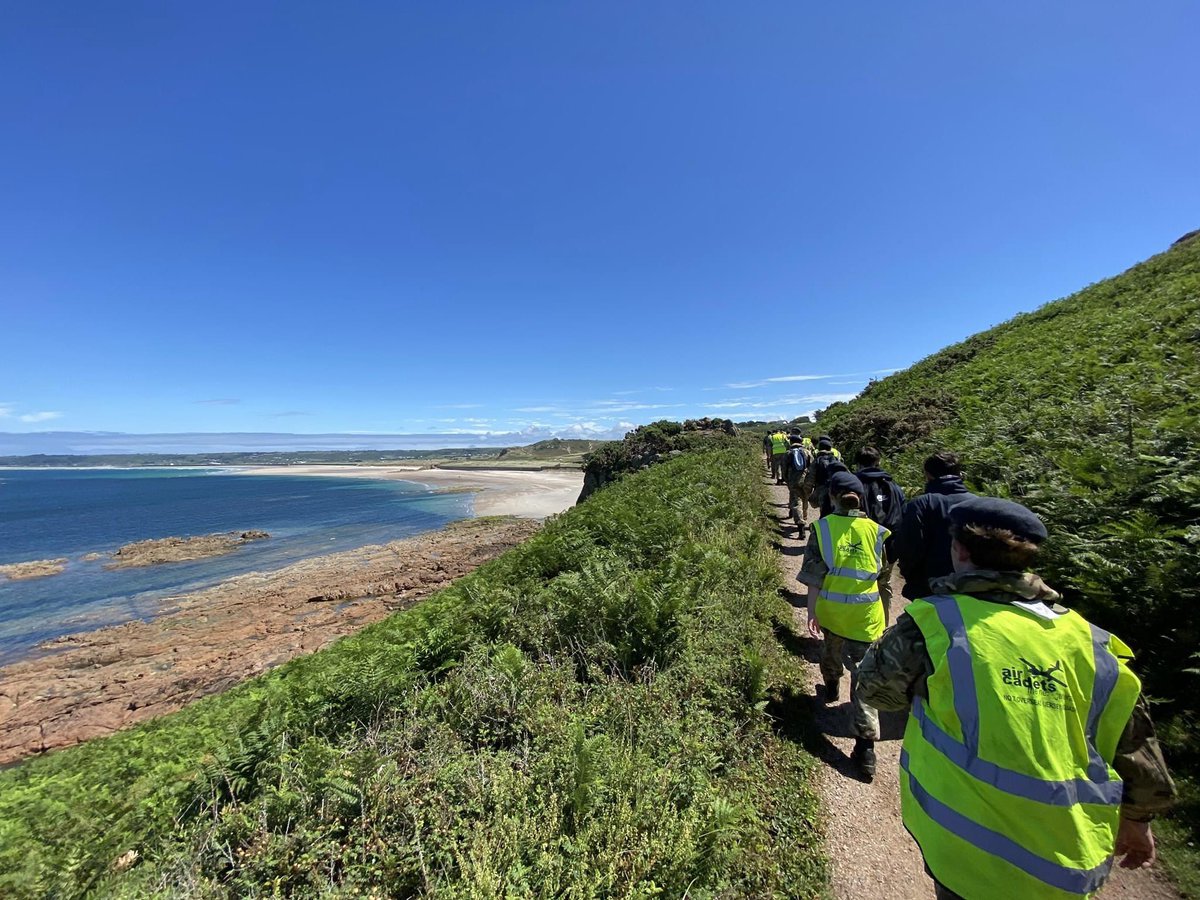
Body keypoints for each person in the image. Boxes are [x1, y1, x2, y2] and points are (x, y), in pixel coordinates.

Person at [859, 497, 1177, 900]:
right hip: (1067, 862)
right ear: (1027, 557)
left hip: (968, 851)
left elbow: (876, 692)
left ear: (958, 549)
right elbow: (1136, 746)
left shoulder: (932, 624)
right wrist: (1137, 820)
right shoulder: (1094, 644)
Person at [798, 471, 890, 779]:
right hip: (866, 615)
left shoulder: (823, 529)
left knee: (830, 651)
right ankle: (865, 749)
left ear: (832, 497)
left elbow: (813, 577)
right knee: (864, 677)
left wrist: (812, 612)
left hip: (833, 612)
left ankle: (832, 685)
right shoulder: (877, 531)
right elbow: (882, 574)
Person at [894, 450, 974, 600]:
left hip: (929, 587)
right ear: (959, 474)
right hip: (970, 586)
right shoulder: (978, 504)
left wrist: (911, 577)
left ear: (928, 475)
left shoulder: (922, 504)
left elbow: (907, 546)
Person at [854, 446, 906, 624]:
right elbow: (903, 513)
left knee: (860, 584)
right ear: (878, 462)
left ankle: (862, 624)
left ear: (858, 464)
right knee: (884, 585)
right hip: (889, 546)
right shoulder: (893, 486)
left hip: (862, 545)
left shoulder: (854, 485)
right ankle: (883, 625)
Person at [806, 438, 850, 517]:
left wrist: (807, 491)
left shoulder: (817, 460)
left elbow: (810, 477)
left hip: (821, 489)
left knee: (824, 511)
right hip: (835, 489)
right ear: (830, 448)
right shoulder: (836, 459)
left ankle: (823, 527)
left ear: (819, 448)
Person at [783, 435, 812, 536]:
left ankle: (801, 525)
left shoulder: (788, 453)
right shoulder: (807, 452)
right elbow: (812, 466)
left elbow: (784, 469)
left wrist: (786, 480)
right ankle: (804, 518)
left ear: (791, 442)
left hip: (794, 481)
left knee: (796, 502)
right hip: (806, 481)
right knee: (805, 500)